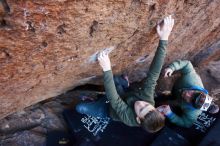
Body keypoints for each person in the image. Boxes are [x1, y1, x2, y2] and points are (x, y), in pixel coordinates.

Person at [76, 15, 174, 133]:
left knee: (80, 107)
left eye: (141, 109)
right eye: (147, 106)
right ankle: (125, 84)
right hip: (124, 94)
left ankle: (94, 101)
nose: (141, 103)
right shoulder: (148, 100)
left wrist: (106, 68)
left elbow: (115, 100)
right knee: (115, 80)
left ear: (138, 119)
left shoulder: (129, 119)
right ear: (154, 107)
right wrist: (164, 39)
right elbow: (153, 75)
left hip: (109, 109)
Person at [157, 60, 219, 128]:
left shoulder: (193, 113)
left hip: (177, 102)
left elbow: (186, 124)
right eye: (193, 93)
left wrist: (170, 114)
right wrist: (172, 68)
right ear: (198, 91)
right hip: (176, 85)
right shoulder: (192, 80)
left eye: (190, 99)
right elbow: (187, 64)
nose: (187, 95)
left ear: (192, 106)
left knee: (164, 104)